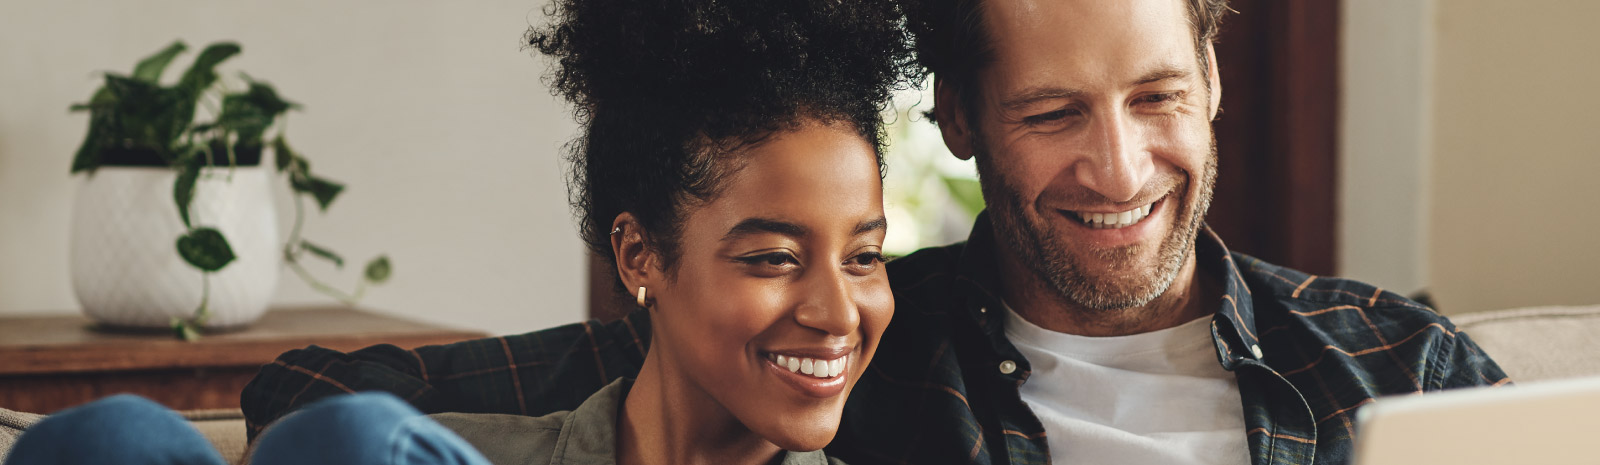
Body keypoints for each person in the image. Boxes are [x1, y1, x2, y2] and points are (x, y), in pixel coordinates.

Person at [243, 0, 1509, 464]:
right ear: (959, 119)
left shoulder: (1396, 363)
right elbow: (326, 400)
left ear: (1213, 81)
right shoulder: (852, 345)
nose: (1119, 166)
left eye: (1157, 97)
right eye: (1054, 110)